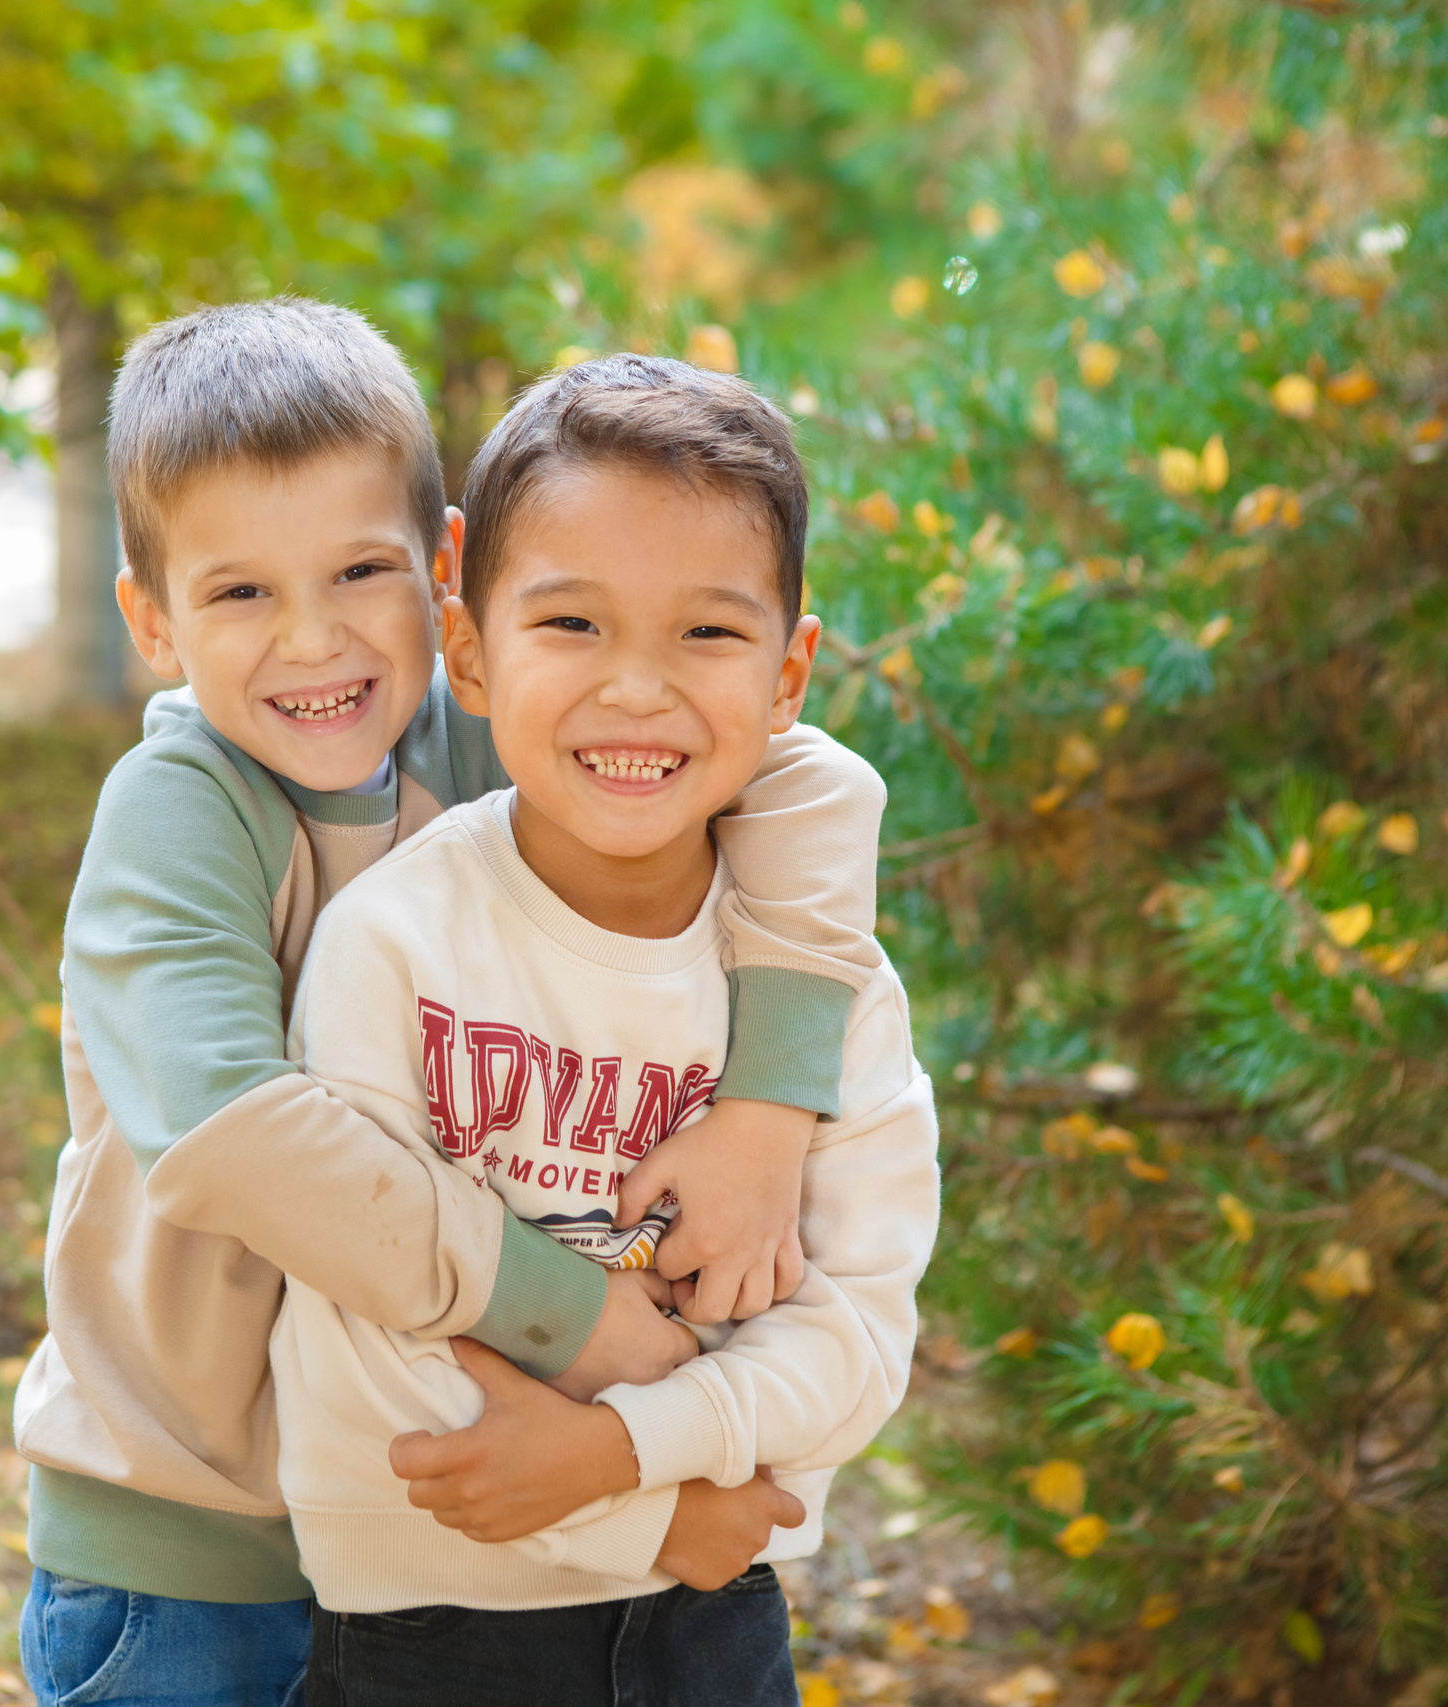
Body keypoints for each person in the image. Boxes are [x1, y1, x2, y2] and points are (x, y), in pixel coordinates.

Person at [14, 299, 890, 1707]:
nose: (314, 642)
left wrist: (768, 1109)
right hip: (196, 1543)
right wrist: (575, 1318)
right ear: (153, 622)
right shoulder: (179, 811)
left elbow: (811, 781)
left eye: (360, 572)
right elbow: (233, 1135)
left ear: (443, 585)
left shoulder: (476, 725)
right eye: (241, 593)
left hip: (421, 1529)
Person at [274, 354, 941, 1706]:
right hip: (433, 1620)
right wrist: (645, 1504)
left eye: (706, 634)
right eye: (572, 624)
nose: (637, 690)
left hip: (711, 1621)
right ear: (465, 642)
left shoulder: (828, 994)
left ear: (788, 673)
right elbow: (354, 1342)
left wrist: (627, 1453)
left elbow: (857, 1342)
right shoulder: (396, 943)